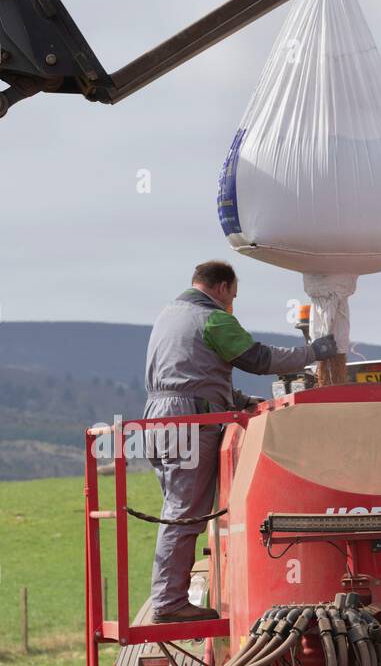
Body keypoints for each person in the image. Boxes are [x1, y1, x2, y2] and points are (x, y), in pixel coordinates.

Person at [143, 260, 337, 623]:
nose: (233, 303)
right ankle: (169, 603)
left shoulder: (169, 316)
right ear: (222, 287)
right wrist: (313, 353)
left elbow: (189, 375)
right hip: (190, 421)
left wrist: (238, 401)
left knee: (177, 510)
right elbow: (258, 358)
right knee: (184, 514)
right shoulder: (213, 318)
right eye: (233, 295)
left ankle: (168, 598)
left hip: (162, 419)